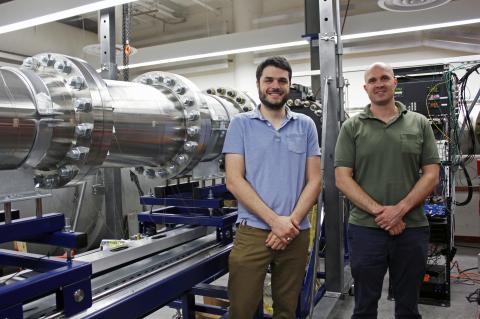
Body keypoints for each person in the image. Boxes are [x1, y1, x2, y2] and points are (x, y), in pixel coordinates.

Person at [334, 62, 440, 319]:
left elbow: (432, 174)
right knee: (364, 305)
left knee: (408, 305)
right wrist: (382, 213)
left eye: (384, 78)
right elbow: (342, 178)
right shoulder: (352, 127)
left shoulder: (419, 123)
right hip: (365, 230)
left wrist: (400, 210)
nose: (379, 84)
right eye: (372, 80)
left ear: (395, 82)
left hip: (411, 228)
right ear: (365, 88)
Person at [223, 56, 322, 318]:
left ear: (289, 85)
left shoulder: (306, 125)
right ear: (258, 84)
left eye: (282, 80)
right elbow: (234, 179)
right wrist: (275, 222)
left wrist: (289, 223)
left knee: (287, 310)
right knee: (241, 309)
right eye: (269, 80)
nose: (275, 86)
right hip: (253, 231)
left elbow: (315, 180)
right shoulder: (240, 124)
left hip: (296, 231)